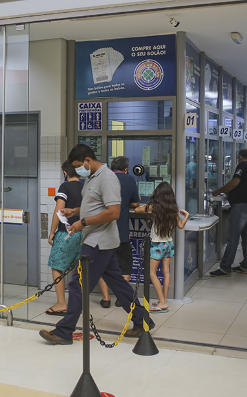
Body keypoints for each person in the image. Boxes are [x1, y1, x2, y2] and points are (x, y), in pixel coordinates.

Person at [39, 144, 154, 345]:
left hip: (98, 241)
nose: (77, 170)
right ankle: (143, 319)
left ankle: (64, 331)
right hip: (100, 240)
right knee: (118, 284)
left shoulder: (107, 178)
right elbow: (93, 206)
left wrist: (83, 222)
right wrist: (74, 212)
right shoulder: (92, 178)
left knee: (77, 284)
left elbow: (113, 212)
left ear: (88, 161)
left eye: (78, 165)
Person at [135, 182, 189, 312]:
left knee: (152, 273)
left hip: (158, 244)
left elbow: (137, 210)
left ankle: (163, 303)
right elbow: (181, 226)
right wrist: (186, 216)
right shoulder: (173, 210)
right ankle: (162, 300)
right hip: (169, 244)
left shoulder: (154, 207)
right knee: (166, 271)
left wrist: (145, 205)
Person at [98, 156, 140, 308]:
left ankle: (106, 298)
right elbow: (135, 203)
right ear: (126, 169)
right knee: (125, 265)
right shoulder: (129, 180)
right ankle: (121, 297)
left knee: (102, 265)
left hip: (103, 231)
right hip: (122, 232)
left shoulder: (103, 179)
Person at [45, 161, 84, 315]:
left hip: (67, 232)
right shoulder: (85, 188)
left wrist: (52, 232)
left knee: (57, 266)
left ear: (65, 173)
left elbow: (59, 211)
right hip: (84, 231)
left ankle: (61, 303)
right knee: (78, 267)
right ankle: (77, 302)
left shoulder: (65, 187)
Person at [210, 149, 247, 277]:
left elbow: (235, 183)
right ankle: (245, 265)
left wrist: (217, 191)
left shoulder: (242, 165)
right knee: (245, 237)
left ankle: (225, 267)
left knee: (232, 237)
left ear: (241, 157)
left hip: (241, 206)